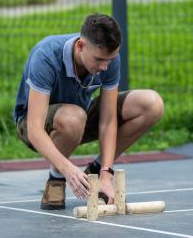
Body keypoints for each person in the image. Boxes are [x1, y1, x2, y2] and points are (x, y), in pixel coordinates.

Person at [13, 13, 164, 210]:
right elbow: (34, 130)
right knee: (74, 117)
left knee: (151, 104)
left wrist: (105, 173)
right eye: (100, 59)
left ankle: (95, 168)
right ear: (81, 46)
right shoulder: (46, 57)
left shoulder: (108, 60)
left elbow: (108, 120)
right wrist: (67, 169)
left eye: (110, 59)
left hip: (79, 118)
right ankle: (56, 179)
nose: (104, 66)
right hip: (35, 125)